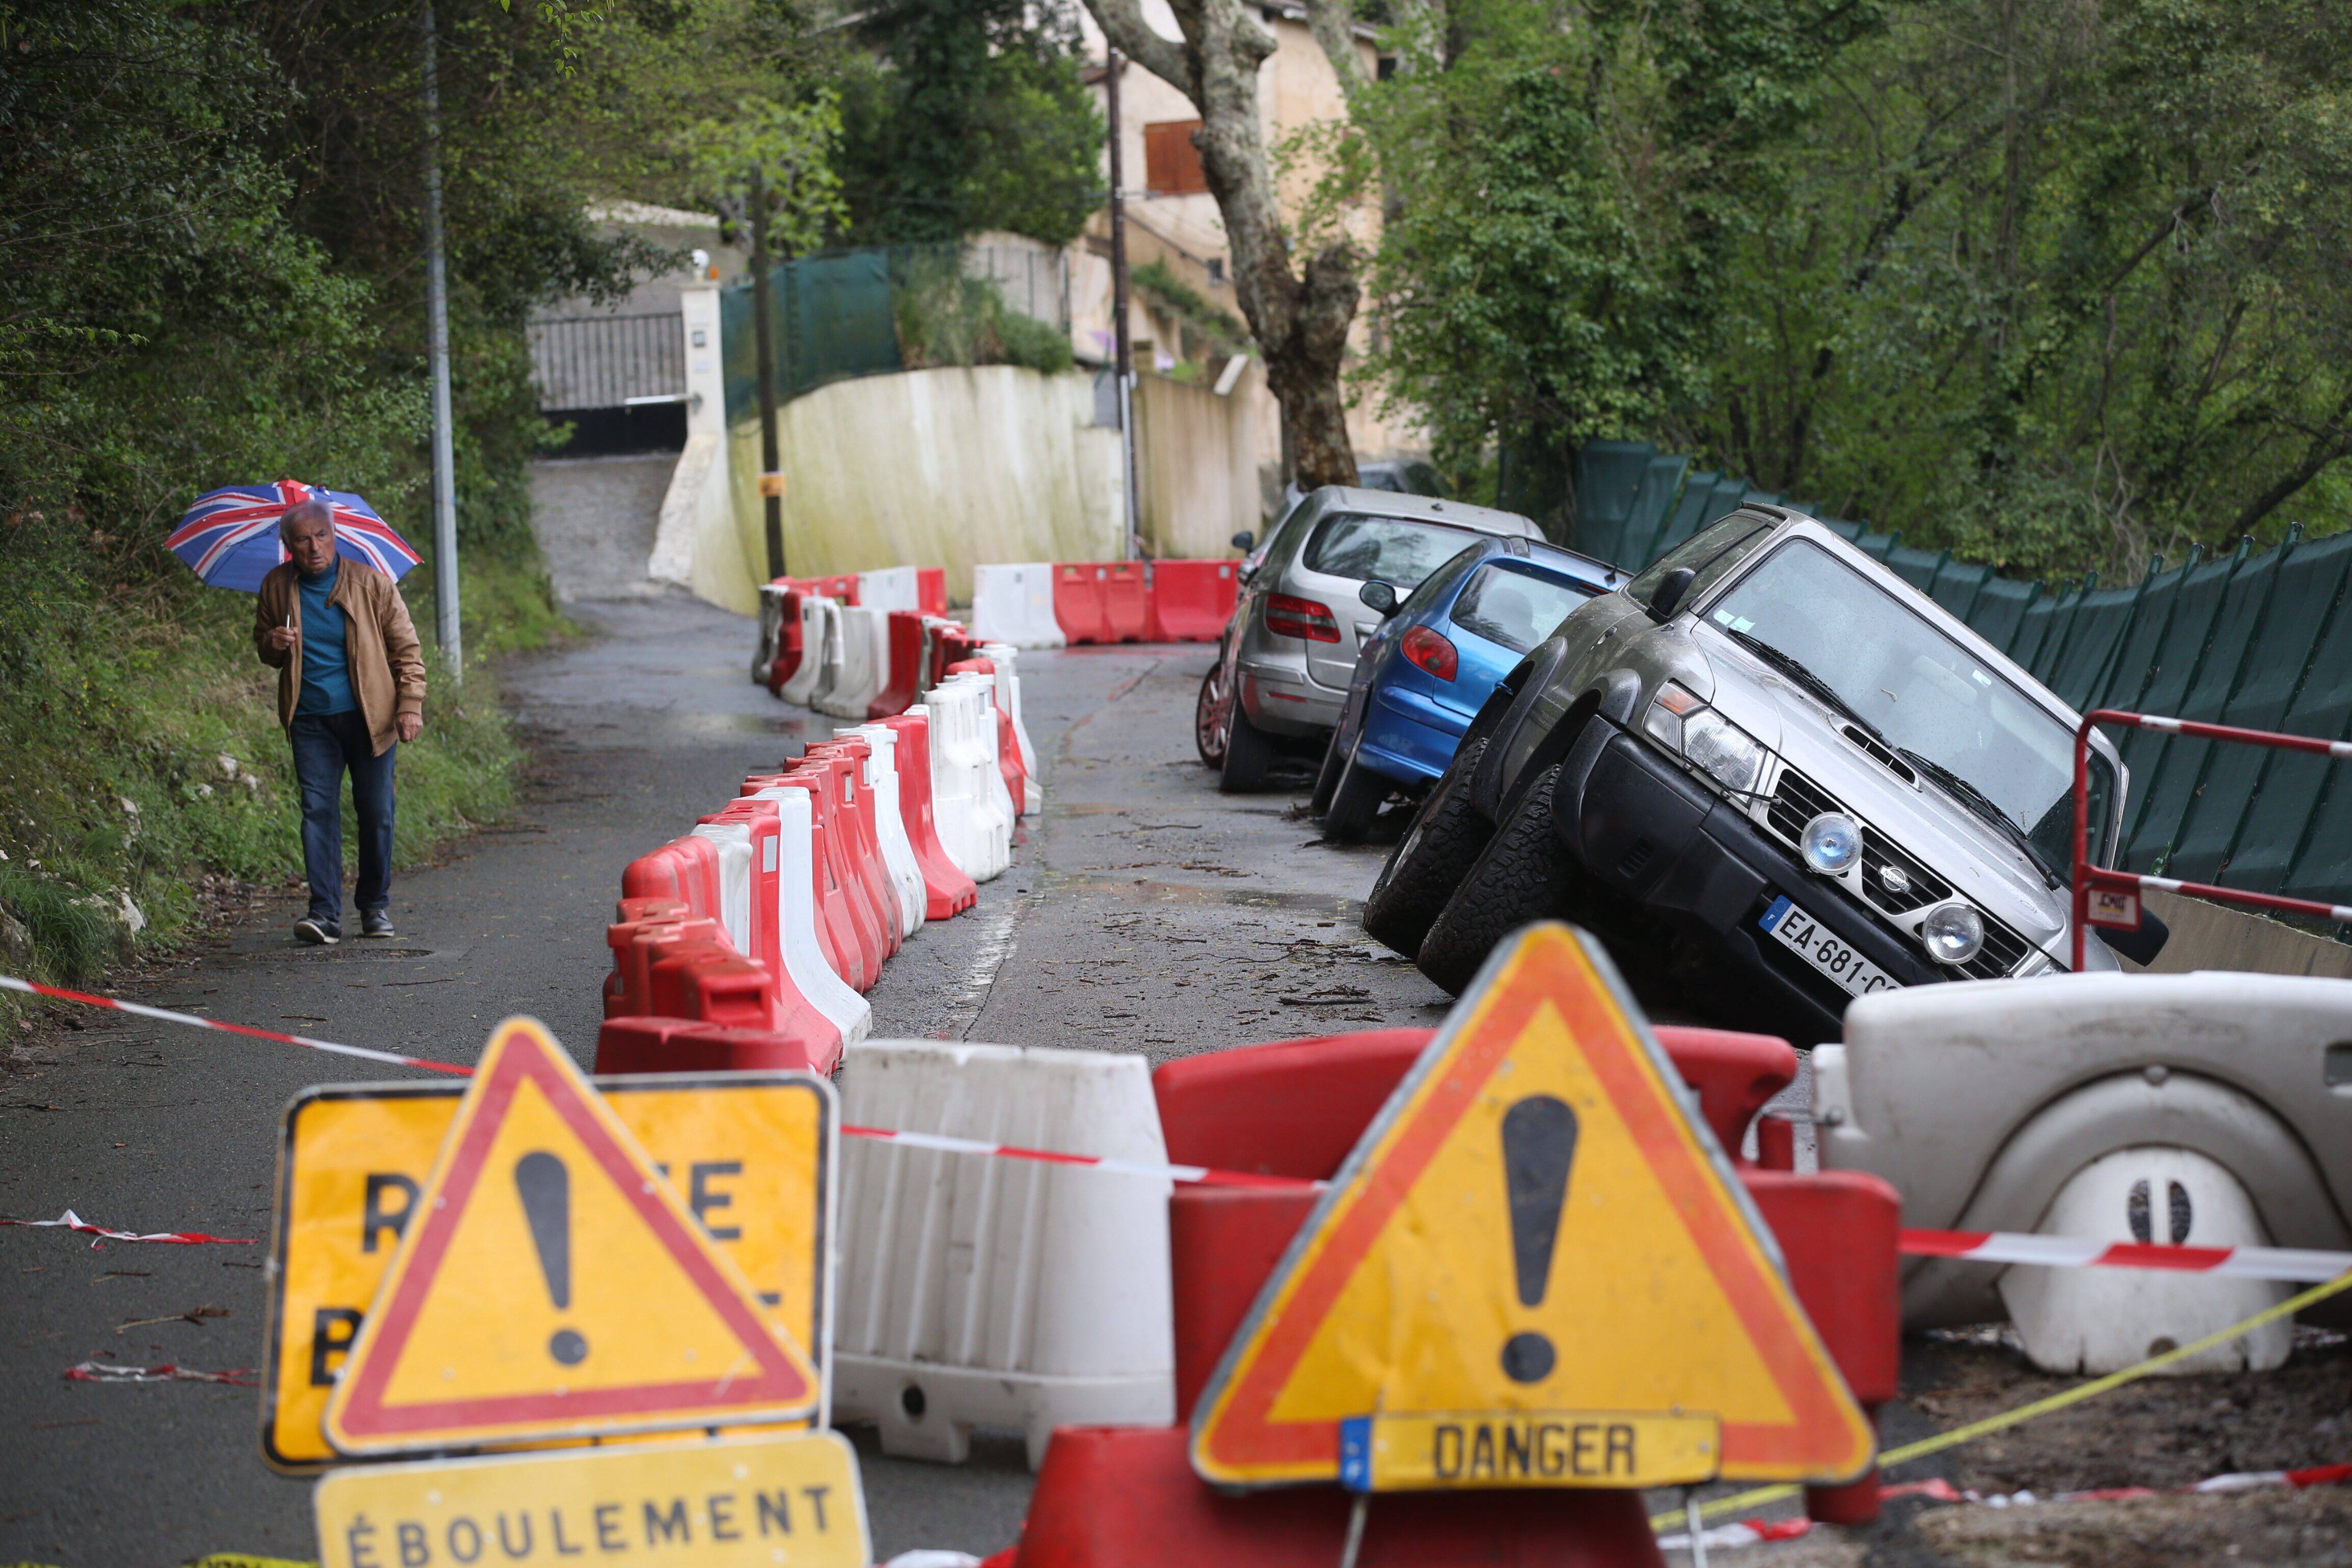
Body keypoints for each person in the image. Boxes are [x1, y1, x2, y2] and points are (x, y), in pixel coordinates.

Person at [252, 500, 427, 944]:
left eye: (322, 536)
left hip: (371, 718)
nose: (315, 548)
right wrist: (273, 642)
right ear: (288, 545)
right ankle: (324, 914)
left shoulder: (372, 583)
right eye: (303, 539)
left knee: (376, 813)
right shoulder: (276, 586)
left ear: (336, 536)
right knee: (318, 812)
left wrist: (410, 704)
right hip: (310, 719)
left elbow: (406, 650)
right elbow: (265, 648)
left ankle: (373, 906)